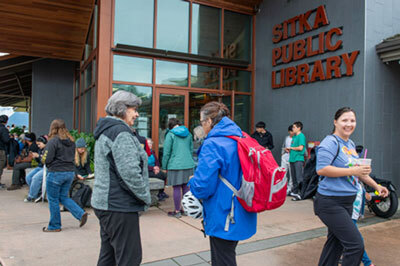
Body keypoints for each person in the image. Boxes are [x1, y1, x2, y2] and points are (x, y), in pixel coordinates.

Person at [314, 107, 388, 266]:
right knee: (355, 246)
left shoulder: (350, 143)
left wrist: (377, 186)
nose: (349, 124)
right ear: (335, 122)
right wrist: (353, 169)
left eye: (352, 120)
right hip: (330, 202)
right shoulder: (330, 142)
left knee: (335, 245)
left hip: (346, 202)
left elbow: (357, 172)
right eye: (344, 120)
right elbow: (321, 169)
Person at [188, 102, 257, 266]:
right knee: (227, 255)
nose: (202, 126)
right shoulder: (241, 137)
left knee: (222, 260)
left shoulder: (213, 144)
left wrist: (193, 183)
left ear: (210, 121)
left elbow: (203, 186)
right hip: (242, 207)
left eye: (201, 122)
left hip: (224, 212)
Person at [92, 90, 151, 266]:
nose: (137, 114)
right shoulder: (120, 132)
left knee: (108, 256)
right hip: (119, 206)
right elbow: (130, 173)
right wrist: (145, 196)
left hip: (107, 204)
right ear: (122, 109)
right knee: (129, 259)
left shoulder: (107, 130)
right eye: (134, 109)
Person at [41, 119, 88, 232]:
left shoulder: (53, 141)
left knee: (53, 199)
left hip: (56, 173)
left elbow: (46, 158)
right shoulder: (71, 141)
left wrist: (41, 158)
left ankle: (55, 226)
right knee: (64, 197)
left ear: (53, 128)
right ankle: (80, 213)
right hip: (69, 173)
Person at [162, 118, 195, 218]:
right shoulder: (188, 134)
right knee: (186, 187)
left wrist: (164, 166)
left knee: (176, 187)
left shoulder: (170, 134)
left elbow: (167, 153)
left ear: (170, 126)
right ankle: (185, 210)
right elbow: (191, 150)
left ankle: (177, 211)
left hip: (175, 165)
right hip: (188, 164)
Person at [351, 182, 376, 266]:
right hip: (347, 214)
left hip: (353, 215)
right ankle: (368, 263)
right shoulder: (349, 180)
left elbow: (367, 197)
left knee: (340, 238)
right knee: (357, 240)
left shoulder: (358, 183)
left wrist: (377, 189)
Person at [286, 121, 306, 200]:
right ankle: (295, 192)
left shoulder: (301, 136)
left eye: (294, 127)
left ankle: (300, 194)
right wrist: (290, 150)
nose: (293, 128)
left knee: (299, 177)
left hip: (298, 159)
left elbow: (301, 148)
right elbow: (295, 147)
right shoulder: (294, 137)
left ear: (299, 128)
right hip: (292, 158)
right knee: (293, 177)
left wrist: (291, 148)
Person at [24, 135, 47, 202]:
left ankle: (31, 196)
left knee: (36, 178)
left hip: (46, 168)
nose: (38, 146)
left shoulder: (48, 149)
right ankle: (37, 192)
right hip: (40, 167)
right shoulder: (40, 149)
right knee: (28, 177)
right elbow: (40, 162)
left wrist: (39, 156)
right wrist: (36, 157)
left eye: (39, 144)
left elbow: (45, 161)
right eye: (37, 144)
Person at [281, 125, 294, 194]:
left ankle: (289, 188)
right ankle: (283, 187)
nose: (292, 132)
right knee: (283, 172)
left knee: (292, 174)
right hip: (285, 156)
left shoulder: (296, 138)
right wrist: (282, 153)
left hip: (292, 157)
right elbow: (283, 145)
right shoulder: (286, 138)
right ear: (289, 131)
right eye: (291, 131)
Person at [0, 115, 10, 188]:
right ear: (6, 121)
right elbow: (6, 140)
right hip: (1, 150)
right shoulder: (3, 129)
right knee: (0, 166)